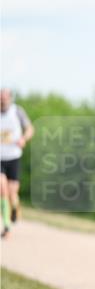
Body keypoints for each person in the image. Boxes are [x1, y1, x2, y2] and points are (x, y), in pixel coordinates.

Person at [1, 88, 34, 238]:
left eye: (5, 98)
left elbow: (30, 129)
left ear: (10, 98)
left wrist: (23, 139)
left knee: (13, 192)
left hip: (14, 156)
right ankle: (7, 227)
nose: (3, 101)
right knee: (3, 190)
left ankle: (15, 207)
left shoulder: (17, 111)